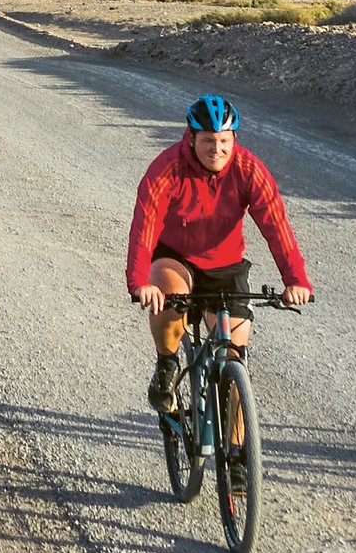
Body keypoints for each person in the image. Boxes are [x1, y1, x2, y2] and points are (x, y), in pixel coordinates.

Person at [128, 93, 312, 410]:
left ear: (234, 138)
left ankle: (240, 458)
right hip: (176, 257)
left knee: (235, 364)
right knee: (169, 298)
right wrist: (139, 281)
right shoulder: (167, 168)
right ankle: (167, 364)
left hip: (226, 266)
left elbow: (276, 226)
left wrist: (296, 280)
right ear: (191, 137)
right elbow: (145, 224)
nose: (217, 150)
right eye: (208, 141)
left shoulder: (249, 170)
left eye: (224, 140)